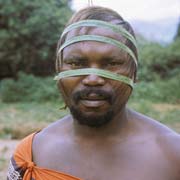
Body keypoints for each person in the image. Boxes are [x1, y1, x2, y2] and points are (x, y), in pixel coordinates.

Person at [7, 5, 180, 180]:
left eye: (111, 63)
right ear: (58, 70)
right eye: (76, 63)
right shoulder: (31, 155)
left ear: (134, 73)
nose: (93, 79)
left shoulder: (173, 154)